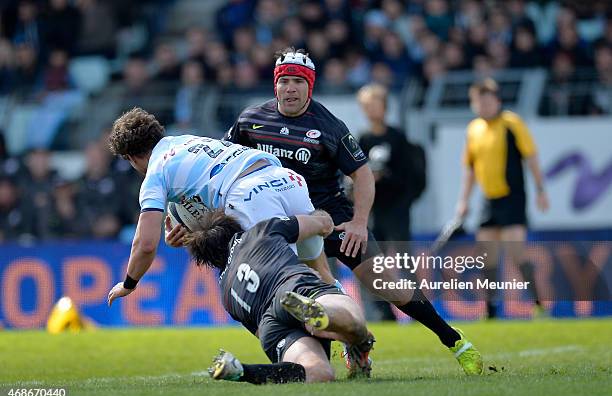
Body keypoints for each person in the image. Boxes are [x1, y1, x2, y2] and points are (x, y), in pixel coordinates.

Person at [224, 47, 483, 375]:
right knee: (310, 294)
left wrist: (359, 222)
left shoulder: (328, 126)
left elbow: (361, 174)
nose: (290, 88)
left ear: (310, 86)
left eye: (298, 82)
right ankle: (344, 352)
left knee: (384, 283)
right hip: (286, 228)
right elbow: (225, 165)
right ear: (275, 85)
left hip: (332, 219)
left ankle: (454, 340)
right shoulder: (250, 121)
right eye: (284, 81)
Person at [106, 107, 333, 306]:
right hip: (286, 179)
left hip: (251, 194)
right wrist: (189, 233)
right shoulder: (188, 141)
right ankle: (351, 336)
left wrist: (129, 283)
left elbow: (145, 245)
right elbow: (213, 183)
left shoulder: (155, 174)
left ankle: (304, 343)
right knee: (322, 272)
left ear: (130, 158)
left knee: (278, 281)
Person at [185, 210, 374, 383]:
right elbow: (322, 223)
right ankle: (320, 313)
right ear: (233, 227)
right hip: (294, 288)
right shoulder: (260, 231)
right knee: (356, 323)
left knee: (319, 373)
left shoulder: (225, 293)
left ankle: (242, 371)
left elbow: (259, 333)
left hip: (272, 326)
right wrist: (321, 214)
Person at [455, 78, 550, 318]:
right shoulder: (473, 129)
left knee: (516, 252)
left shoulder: (512, 123)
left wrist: (540, 190)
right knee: (487, 257)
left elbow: (531, 157)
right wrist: (464, 201)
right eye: (479, 102)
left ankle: (539, 304)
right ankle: (490, 310)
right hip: (489, 200)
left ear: (497, 101)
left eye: (488, 101)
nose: (484, 106)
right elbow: (470, 169)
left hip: (513, 197)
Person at [356, 83, 426, 321]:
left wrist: (385, 177)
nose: (371, 110)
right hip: (373, 210)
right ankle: (383, 312)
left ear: (384, 107)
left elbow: (408, 177)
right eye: (366, 106)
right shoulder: (362, 138)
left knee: (405, 262)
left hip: (396, 209)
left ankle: (420, 310)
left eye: (374, 105)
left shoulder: (397, 137)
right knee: (375, 264)